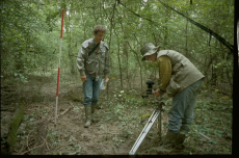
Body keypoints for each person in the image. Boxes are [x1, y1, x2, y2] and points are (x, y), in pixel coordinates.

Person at [140, 43, 205, 154]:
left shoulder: (162, 57)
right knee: (187, 115)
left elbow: (166, 76)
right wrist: (163, 90)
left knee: (176, 113)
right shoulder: (166, 54)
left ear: (151, 53)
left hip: (186, 82)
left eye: (146, 57)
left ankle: (166, 147)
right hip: (196, 80)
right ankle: (178, 144)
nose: (147, 59)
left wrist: (161, 90)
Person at [76, 25, 110, 128]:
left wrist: (106, 75)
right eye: (99, 35)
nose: (101, 38)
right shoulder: (86, 45)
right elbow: (80, 59)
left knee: (95, 98)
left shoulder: (105, 47)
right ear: (94, 34)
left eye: (103, 36)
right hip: (87, 76)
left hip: (98, 76)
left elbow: (107, 62)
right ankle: (88, 119)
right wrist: (82, 73)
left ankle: (93, 115)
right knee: (88, 97)